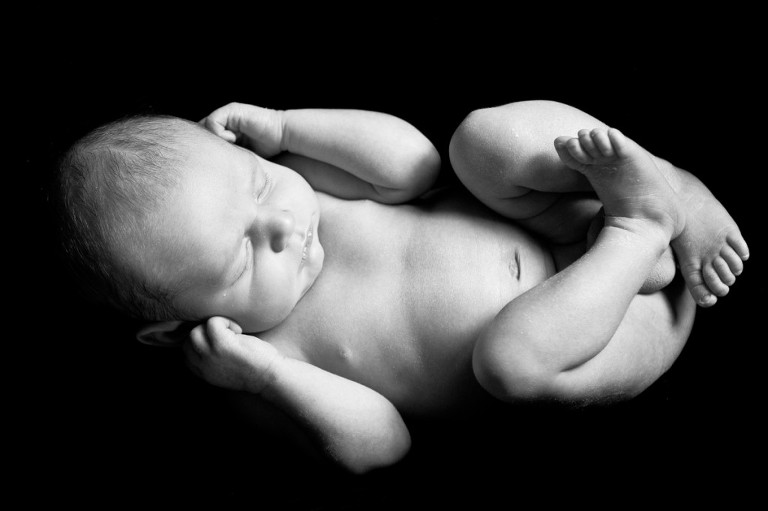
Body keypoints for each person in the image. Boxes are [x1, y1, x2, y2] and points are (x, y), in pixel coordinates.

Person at [55, 100, 748, 474]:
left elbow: (413, 165)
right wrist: (266, 377)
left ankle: (666, 189)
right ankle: (643, 229)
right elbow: (381, 446)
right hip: (607, 333)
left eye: (258, 185)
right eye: (240, 257)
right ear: (174, 324)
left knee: (482, 140)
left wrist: (290, 128)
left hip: (560, 215)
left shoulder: (312, 179)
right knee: (510, 361)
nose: (282, 225)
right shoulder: (268, 356)